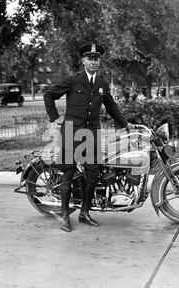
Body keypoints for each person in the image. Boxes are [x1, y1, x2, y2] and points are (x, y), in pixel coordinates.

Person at [44, 43, 133, 232]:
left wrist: (125, 124)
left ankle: (84, 213)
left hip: (91, 134)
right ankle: (64, 215)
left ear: (100, 61)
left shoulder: (102, 84)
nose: (93, 61)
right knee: (67, 174)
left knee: (92, 174)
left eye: (96, 58)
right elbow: (49, 94)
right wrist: (55, 118)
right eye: (90, 58)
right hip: (70, 131)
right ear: (83, 60)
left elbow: (111, 107)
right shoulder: (72, 80)